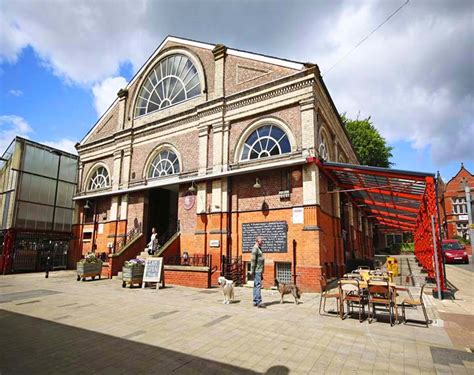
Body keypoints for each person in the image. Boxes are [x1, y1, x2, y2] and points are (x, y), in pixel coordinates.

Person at [251, 236, 265, 308]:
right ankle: (258, 302)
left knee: (256, 285)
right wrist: (252, 271)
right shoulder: (255, 248)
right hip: (257, 270)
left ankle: (255, 301)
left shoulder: (259, 248)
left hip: (259, 270)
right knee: (258, 285)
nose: (263, 242)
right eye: (261, 241)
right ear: (257, 241)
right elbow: (253, 261)